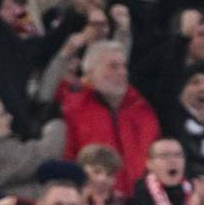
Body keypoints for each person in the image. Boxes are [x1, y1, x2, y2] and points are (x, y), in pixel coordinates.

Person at [60, 40, 160, 196]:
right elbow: (67, 160)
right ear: (90, 72)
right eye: (113, 66)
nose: (123, 72)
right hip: (93, 202)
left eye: (124, 66)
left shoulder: (143, 111)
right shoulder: (73, 110)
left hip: (143, 202)